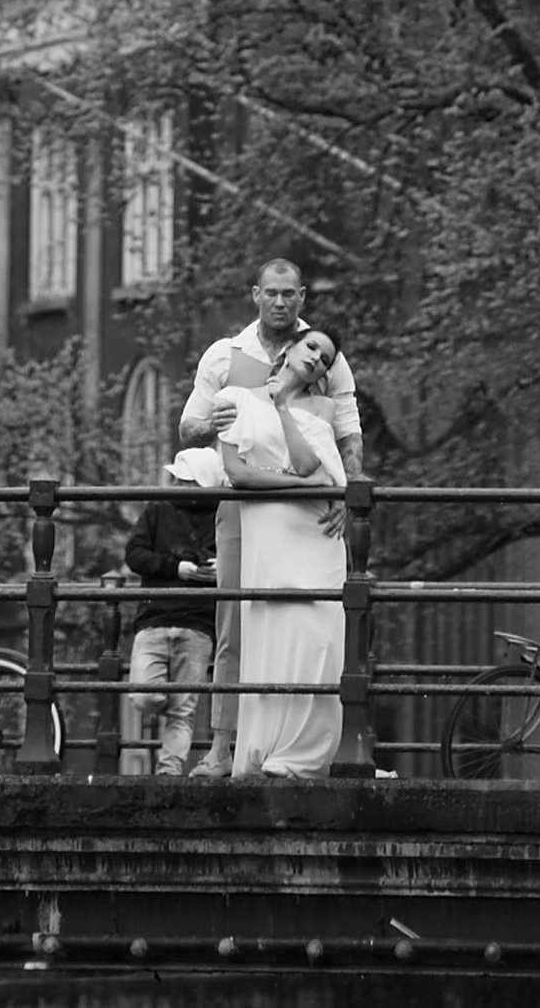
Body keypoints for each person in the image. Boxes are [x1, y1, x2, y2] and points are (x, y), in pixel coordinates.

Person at [177, 261, 362, 780]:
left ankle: (312, 742)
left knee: (315, 624)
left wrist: (351, 494)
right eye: (271, 293)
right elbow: (190, 423)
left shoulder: (325, 355)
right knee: (235, 615)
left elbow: (347, 430)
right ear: (256, 295)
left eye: (290, 295)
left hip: (310, 515)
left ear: (302, 298)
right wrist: (207, 423)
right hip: (246, 506)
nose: (281, 303)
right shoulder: (224, 355)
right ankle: (223, 745)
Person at [120, 453, 219, 778]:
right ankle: (169, 769)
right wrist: (176, 567)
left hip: (197, 623)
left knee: (184, 710)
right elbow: (134, 555)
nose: (177, 485)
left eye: (184, 480)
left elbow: (246, 554)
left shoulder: (224, 517)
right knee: (145, 697)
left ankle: (169, 774)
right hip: (156, 617)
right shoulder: (157, 511)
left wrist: (223, 567)